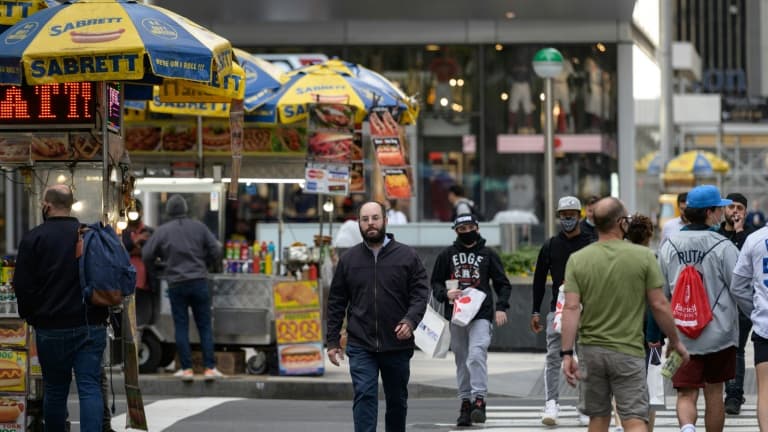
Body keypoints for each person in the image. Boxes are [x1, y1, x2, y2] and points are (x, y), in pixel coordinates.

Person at [561, 197, 689, 432]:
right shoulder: (643, 258)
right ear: (621, 223)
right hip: (628, 351)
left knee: (598, 419)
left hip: (591, 350)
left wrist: (567, 353)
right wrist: (675, 341)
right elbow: (659, 304)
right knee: (633, 419)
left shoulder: (578, 260)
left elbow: (570, 308)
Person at [325, 201, 429, 432]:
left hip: (397, 343)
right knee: (364, 395)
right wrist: (332, 341)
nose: (370, 223)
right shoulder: (349, 260)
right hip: (361, 343)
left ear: (385, 221)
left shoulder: (407, 256)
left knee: (397, 400)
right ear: (359, 223)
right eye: (365, 219)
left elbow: (421, 294)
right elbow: (336, 302)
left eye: (375, 218)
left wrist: (410, 321)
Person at [13, 184, 109, 432]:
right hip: (90, 324)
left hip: (50, 327)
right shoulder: (88, 234)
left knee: (55, 389)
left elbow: (22, 286)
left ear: (46, 205)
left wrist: (32, 317)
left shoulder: (33, 238)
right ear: (71, 204)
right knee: (89, 386)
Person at [657, 185, 740, 432]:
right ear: (709, 212)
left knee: (686, 393)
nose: (721, 213)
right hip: (719, 332)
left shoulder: (668, 245)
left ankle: (687, 428)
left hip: (681, 333)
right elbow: (738, 285)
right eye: (718, 209)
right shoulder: (723, 246)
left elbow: (662, 293)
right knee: (715, 393)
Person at [430, 214, 512, 427]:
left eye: (469, 227)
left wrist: (501, 307)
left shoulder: (488, 254)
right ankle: (465, 403)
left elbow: (503, 283)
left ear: (477, 227)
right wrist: (445, 295)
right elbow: (436, 283)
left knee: (476, 355)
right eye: (461, 229)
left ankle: (479, 400)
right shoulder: (447, 255)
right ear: (455, 232)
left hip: (481, 314)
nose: (466, 232)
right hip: (456, 316)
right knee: (461, 359)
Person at [142, 194, 223, 381]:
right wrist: (207, 264)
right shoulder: (199, 227)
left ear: (169, 211)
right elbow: (216, 249)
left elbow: (147, 254)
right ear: (186, 209)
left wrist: (157, 270)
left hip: (176, 283)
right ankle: (209, 368)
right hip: (199, 281)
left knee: (181, 325)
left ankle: (186, 370)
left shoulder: (162, 231)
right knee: (204, 325)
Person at [530, 195, 594, 426]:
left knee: (586, 356)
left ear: (580, 216)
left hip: (587, 310)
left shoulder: (590, 242)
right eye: (564, 216)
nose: (568, 220)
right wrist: (535, 311)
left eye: (572, 216)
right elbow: (539, 280)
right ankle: (551, 403)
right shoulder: (550, 245)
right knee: (553, 357)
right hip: (556, 311)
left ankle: (585, 405)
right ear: (559, 217)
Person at [717, 192, 756, 415]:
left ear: (746, 212)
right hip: (718, 302)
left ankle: (734, 394)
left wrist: (740, 233)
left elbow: (746, 263)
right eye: (731, 207)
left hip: (741, 301)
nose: (734, 211)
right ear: (723, 210)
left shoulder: (750, 236)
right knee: (723, 348)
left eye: (739, 208)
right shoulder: (716, 234)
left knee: (737, 348)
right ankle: (725, 388)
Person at [729, 222, 768, 431]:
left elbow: (737, 286)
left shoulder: (754, 240)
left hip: (765, 326)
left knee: (765, 391)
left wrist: (754, 309)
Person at [121, 199, 155, 326]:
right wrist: (138, 240)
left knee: (143, 321)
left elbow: (150, 251)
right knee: (126, 321)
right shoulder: (122, 231)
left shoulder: (150, 232)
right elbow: (121, 248)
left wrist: (132, 248)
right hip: (124, 284)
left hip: (145, 285)